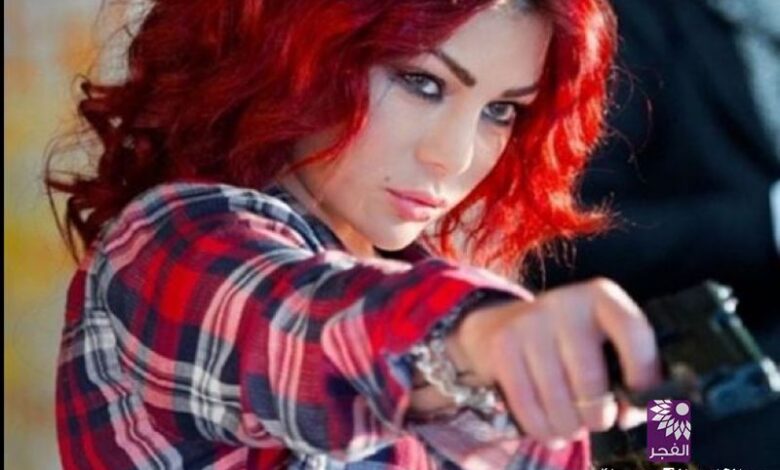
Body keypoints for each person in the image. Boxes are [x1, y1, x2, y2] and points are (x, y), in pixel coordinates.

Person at [47, 0, 662, 468]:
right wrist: (476, 340)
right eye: (420, 82)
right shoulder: (172, 244)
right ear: (295, 50)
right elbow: (306, 325)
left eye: (501, 111)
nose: (454, 155)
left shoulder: (423, 276)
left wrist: (670, 423)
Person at [534, 0, 780, 466]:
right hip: (668, 382)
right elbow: (569, 235)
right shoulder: (627, 22)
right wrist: (768, 221)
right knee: (670, 459)